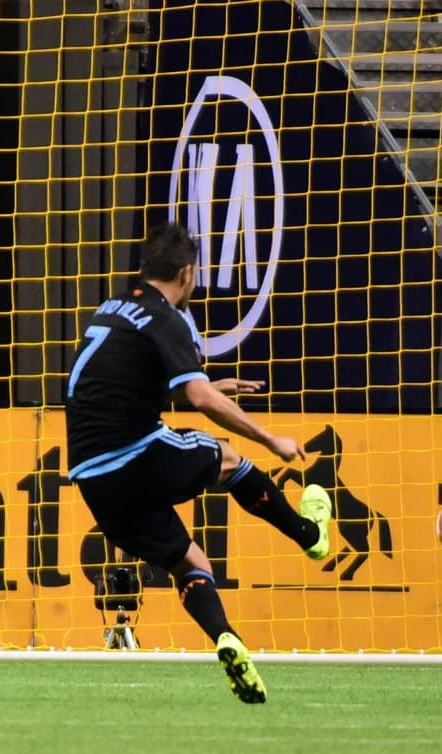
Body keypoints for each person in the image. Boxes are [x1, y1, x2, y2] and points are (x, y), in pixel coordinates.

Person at [64, 222, 332, 703]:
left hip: (91, 477)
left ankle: (227, 638)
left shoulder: (111, 309)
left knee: (189, 561)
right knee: (227, 457)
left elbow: (123, 385)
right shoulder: (166, 318)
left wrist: (208, 385)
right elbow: (199, 398)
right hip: (132, 454)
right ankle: (310, 537)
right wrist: (271, 439)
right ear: (186, 273)